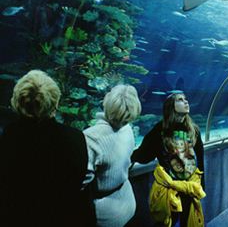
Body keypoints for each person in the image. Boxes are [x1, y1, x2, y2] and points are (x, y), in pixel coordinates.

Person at [0, 70, 95, 227]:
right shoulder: (75, 137)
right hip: (62, 217)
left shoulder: (9, 135)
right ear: (55, 103)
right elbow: (77, 183)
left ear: (17, 102)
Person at [131, 92, 205, 227]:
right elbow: (145, 155)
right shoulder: (160, 130)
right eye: (180, 100)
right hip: (169, 189)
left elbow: (200, 158)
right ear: (171, 106)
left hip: (189, 187)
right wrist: (130, 156)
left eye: (186, 99)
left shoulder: (194, 129)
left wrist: (201, 184)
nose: (186, 102)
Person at [84, 84, 141, 227]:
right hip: (127, 201)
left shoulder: (91, 137)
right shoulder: (128, 129)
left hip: (105, 214)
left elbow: (83, 179)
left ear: (107, 101)